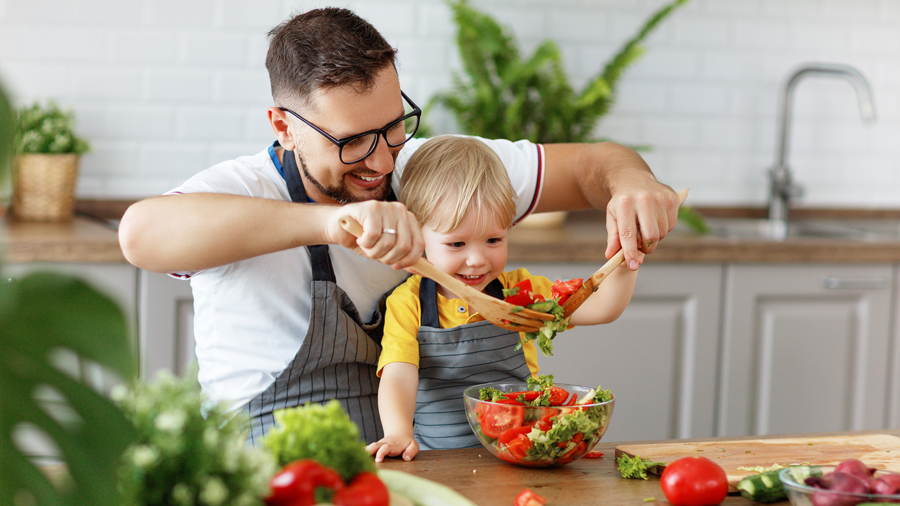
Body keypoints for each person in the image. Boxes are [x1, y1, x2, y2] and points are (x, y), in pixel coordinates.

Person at [117, 7, 680, 446]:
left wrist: (632, 183)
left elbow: (593, 165)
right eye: (351, 141)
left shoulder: (436, 171)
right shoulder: (241, 189)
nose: (383, 162)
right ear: (283, 127)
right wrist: (331, 222)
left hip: (404, 462)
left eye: (393, 127)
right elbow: (140, 234)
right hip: (265, 465)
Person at [365, 136, 638, 462]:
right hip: (438, 460)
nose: (478, 259)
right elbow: (399, 373)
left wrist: (628, 258)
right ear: (418, 235)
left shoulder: (521, 291)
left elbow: (602, 308)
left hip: (521, 452)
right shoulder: (407, 303)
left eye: (494, 239)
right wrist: (397, 433)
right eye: (457, 244)